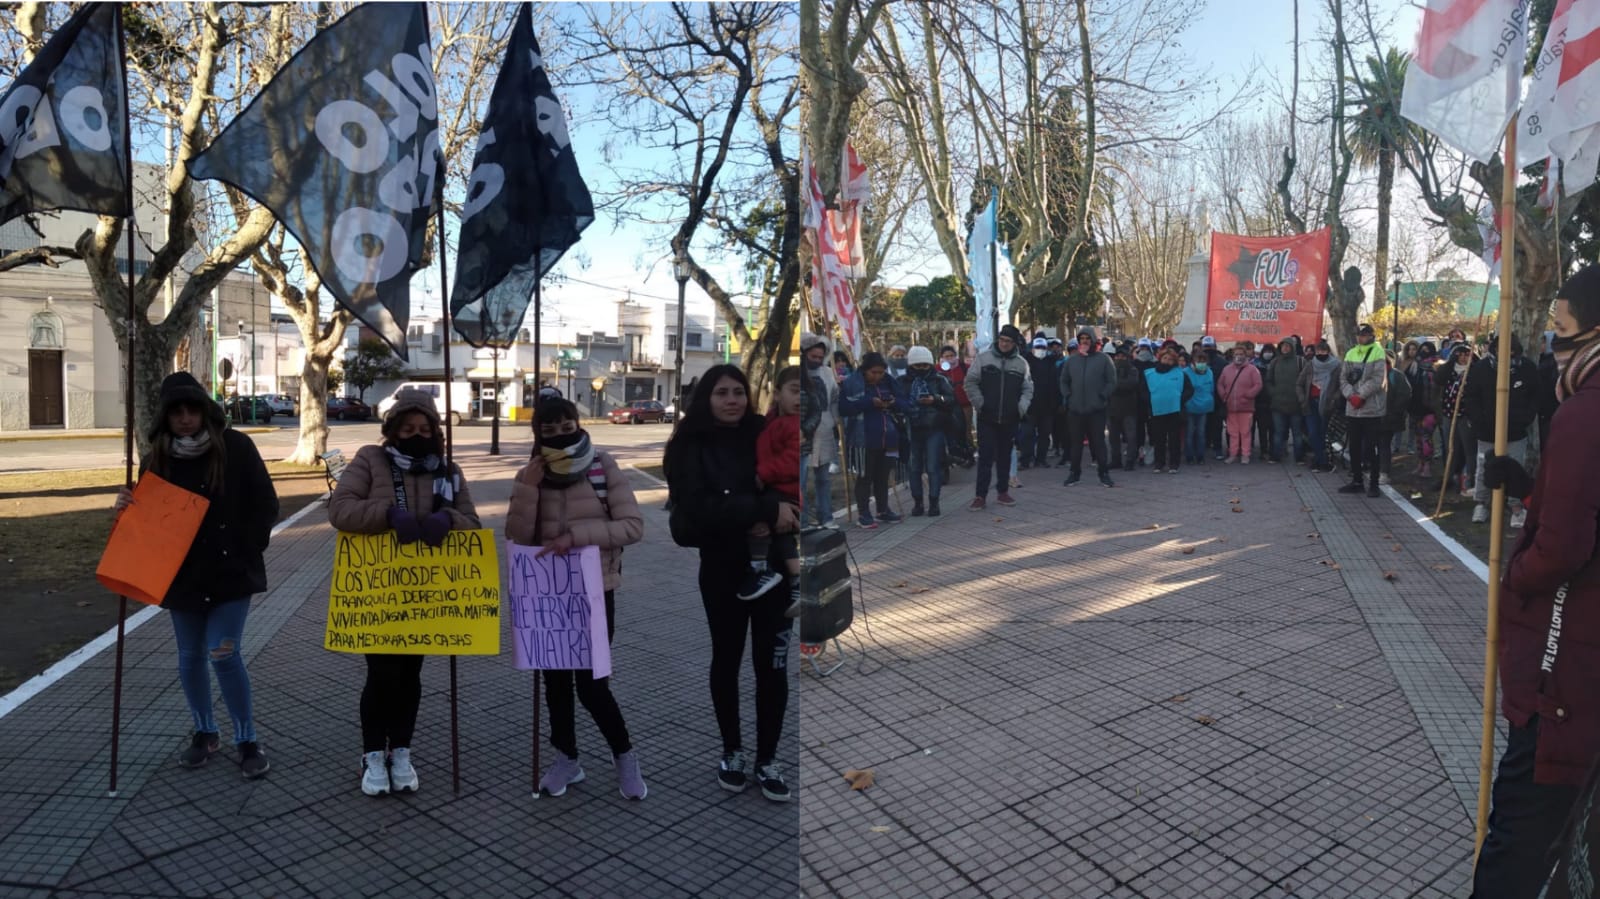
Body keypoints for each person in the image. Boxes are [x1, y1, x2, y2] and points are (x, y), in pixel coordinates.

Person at [1470, 266, 1600, 898]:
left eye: (1564, 332)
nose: (1556, 348)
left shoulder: (1585, 414)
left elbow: (1566, 546)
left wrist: (1516, 576)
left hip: (1563, 677)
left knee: (1516, 845)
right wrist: (1527, 489)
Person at [113, 373, 278, 779]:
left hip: (230, 574)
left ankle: (247, 738)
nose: (186, 419)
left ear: (205, 411)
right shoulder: (158, 458)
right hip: (182, 576)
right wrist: (126, 511)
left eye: (192, 410)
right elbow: (150, 525)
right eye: (177, 412)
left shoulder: (236, 447)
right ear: (165, 418)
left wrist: (245, 549)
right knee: (189, 658)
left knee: (224, 654)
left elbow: (265, 504)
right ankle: (205, 732)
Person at [328, 386, 481, 796]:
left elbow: (473, 522)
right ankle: (373, 753)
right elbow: (339, 510)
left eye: (424, 428)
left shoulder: (448, 471)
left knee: (410, 675)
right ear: (392, 429)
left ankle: (403, 750)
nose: (416, 434)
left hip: (428, 596)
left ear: (435, 431)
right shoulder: (370, 460)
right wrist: (386, 514)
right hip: (378, 591)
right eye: (407, 428)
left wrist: (448, 519)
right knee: (381, 674)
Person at [663, 365, 798, 802]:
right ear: (706, 397)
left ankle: (768, 757)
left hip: (774, 571)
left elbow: (792, 482)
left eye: (738, 392)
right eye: (721, 392)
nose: (732, 400)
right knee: (727, 659)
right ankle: (732, 752)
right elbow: (689, 519)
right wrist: (759, 511)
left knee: (772, 667)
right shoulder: (688, 445)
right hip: (722, 571)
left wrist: (770, 507)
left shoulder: (766, 431)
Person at [505, 397, 648, 800]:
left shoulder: (603, 466)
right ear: (537, 434)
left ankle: (625, 757)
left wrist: (575, 539)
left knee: (592, 686)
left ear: (578, 423)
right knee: (555, 685)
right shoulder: (530, 474)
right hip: (547, 596)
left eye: (566, 426)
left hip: (594, 593)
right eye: (548, 430)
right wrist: (528, 488)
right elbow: (518, 536)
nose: (559, 436)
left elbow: (632, 527)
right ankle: (567, 759)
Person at [1467, 335, 1538, 527]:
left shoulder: (1527, 368)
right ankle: (1482, 503)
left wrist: (1525, 418)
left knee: (1516, 467)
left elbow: (1535, 396)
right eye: (1500, 350)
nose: (1504, 353)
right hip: (1487, 430)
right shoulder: (1482, 368)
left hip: (1516, 431)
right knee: (1484, 468)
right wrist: (1478, 420)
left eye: (1510, 350)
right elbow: (1471, 396)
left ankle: (1516, 507)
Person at [964, 324, 1033, 510]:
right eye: (1001, 340)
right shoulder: (983, 359)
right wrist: (980, 403)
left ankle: (1003, 492)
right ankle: (980, 495)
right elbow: (970, 382)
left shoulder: (1021, 364)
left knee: (1004, 456)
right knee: (985, 457)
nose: (1003, 344)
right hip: (987, 416)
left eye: (1008, 341)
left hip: (1010, 417)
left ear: (1014, 343)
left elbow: (1028, 388)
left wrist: (1021, 407)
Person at [839, 352, 909, 528]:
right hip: (864, 440)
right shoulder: (851, 384)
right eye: (874, 372)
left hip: (891, 438)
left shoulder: (890, 383)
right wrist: (870, 402)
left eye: (881, 372)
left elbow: (906, 403)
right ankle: (863, 513)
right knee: (865, 476)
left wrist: (893, 402)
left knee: (884, 475)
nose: (877, 376)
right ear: (865, 370)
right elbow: (844, 408)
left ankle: (883, 510)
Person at [899, 346, 956, 516]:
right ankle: (917, 502)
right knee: (914, 467)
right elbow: (897, 401)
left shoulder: (939, 380)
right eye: (918, 366)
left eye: (926, 365)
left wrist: (935, 399)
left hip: (934, 427)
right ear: (911, 365)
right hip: (911, 428)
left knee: (933, 467)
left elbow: (951, 400)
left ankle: (934, 502)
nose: (922, 369)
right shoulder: (902, 382)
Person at [1059, 327, 1117, 487]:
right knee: (1075, 444)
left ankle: (1103, 473)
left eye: (1087, 339)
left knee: (1098, 443)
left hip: (1096, 410)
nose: (1084, 342)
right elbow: (1063, 380)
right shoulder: (1071, 360)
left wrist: (1102, 396)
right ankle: (1074, 473)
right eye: (1081, 339)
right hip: (1075, 410)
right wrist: (1068, 395)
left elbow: (1111, 381)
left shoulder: (1104, 359)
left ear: (1093, 341)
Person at [1337, 323, 1389, 497]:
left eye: (1365, 335)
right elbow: (1343, 378)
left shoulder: (1378, 351)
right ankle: (1357, 480)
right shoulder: (1351, 353)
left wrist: (1361, 395)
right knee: (1354, 447)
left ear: (1372, 336)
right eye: (1360, 335)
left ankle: (1373, 484)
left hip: (1371, 409)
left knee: (1372, 448)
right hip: (1352, 409)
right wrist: (1350, 395)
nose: (1362, 338)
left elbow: (1377, 379)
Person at [799, 334, 840, 528]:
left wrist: (837, 421)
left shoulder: (827, 373)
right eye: (812, 356)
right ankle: (804, 520)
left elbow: (834, 399)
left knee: (823, 478)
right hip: (804, 433)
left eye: (819, 357)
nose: (816, 360)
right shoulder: (798, 373)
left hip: (824, 429)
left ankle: (826, 516)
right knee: (801, 479)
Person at [1434, 343, 1481, 495]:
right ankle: (1448, 478)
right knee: (1450, 448)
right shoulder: (1449, 371)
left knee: (1469, 449)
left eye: (1466, 354)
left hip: (1466, 416)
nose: (1463, 357)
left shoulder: (1476, 371)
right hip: (1448, 414)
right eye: (1460, 354)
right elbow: (1438, 381)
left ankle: (1470, 482)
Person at [1141, 345, 1193, 473]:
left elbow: (1189, 390)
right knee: (1159, 439)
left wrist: (1179, 399)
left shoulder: (1181, 374)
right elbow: (1143, 391)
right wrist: (1150, 401)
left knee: (1174, 439)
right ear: (1160, 358)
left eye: (1170, 359)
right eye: (1165, 358)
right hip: (1156, 411)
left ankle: (1174, 464)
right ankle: (1159, 463)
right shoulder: (1149, 373)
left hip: (1175, 411)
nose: (1167, 361)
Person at [1217, 342, 1263, 464]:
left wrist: (1249, 395)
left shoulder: (1252, 370)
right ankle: (1233, 454)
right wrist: (1223, 395)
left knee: (1245, 432)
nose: (1239, 356)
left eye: (1241, 354)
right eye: (1237, 354)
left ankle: (1245, 454)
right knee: (1233, 432)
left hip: (1246, 407)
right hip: (1230, 407)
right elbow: (1220, 384)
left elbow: (1258, 385)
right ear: (1233, 355)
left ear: (1245, 355)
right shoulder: (1226, 369)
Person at [1265, 338, 1310, 465]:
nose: (1285, 348)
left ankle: (1299, 457)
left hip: (1296, 404)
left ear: (1292, 347)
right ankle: (1275, 456)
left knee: (1297, 433)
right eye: (1283, 346)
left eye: (1287, 346)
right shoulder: (1275, 362)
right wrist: (1273, 393)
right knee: (1278, 432)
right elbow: (1268, 380)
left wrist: (1302, 398)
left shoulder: (1300, 361)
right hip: (1278, 404)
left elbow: (1307, 381)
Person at [1020, 336, 1060, 469]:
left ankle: (1041, 459)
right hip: (1029, 406)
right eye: (1037, 348)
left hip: (1047, 407)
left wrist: (1055, 404)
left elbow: (1055, 385)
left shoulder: (1051, 362)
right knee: (1027, 435)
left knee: (1044, 435)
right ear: (1032, 349)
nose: (1040, 350)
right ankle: (1025, 460)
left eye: (1042, 348)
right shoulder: (1025, 362)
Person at [1377, 351, 1412, 487]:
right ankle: (1375, 467)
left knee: (1384, 444)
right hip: (1374, 415)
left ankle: (1384, 472)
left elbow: (1405, 395)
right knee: (1375, 443)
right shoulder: (1374, 376)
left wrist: (1394, 412)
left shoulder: (1396, 376)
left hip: (1390, 417)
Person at [1108, 344, 1142, 472]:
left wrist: (1115, 385)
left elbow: (1131, 384)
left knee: (1131, 437)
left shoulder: (1133, 369)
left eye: (1123, 356)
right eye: (1118, 356)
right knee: (1113, 437)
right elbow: (1106, 385)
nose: (1120, 358)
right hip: (1112, 408)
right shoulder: (1110, 369)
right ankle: (1116, 460)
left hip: (1129, 408)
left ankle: (1130, 460)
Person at [1306, 340, 1340, 471]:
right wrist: (1302, 396)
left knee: (1323, 433)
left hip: (1327, 404)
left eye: (1323, 351)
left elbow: (1340, 385)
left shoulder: (1336, 366)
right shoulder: (1310, 365)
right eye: (1318, 351)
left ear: (1328, 352)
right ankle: (1321, 460)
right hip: (1311, 403)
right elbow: (1300, 382)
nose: (1320, 353)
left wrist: (1334, 398)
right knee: (1313, 433)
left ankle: (1321, 461)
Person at [1182, 348, 1215, 465]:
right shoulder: (1185, 372)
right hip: (1190, 406)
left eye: (1203, 361)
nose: (1201, 363)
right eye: (1198, 360)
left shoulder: (1210, 372)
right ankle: (1189, 456)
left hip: (1204, 407)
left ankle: (1200, 456)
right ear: (1193, 361)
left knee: (1201, 433)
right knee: (1189, 433)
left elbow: (1211, 389)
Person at [1199, 335, 1227, 458]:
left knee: (1217, 425)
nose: (1208, 349)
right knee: (1202, 426)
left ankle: (1217, 448)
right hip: (1201, 398)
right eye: (1206, 347)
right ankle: (1204, 447)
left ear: (1215, 347)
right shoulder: (1197, 361)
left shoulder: (1222, 362)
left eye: (1210, 347)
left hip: (1217, 398)